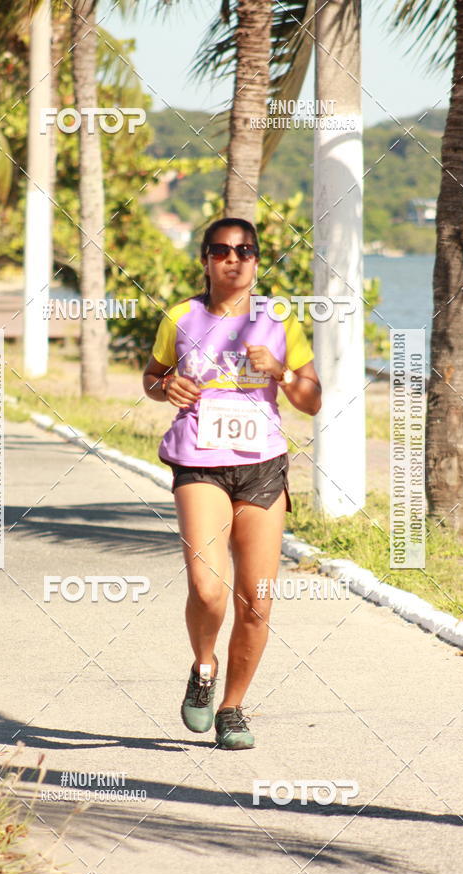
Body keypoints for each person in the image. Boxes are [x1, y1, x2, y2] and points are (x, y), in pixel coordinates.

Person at [143, 217, 322, 750]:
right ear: (205, 259)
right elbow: (153, 376)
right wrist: (165, 386)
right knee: (207, 587)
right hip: (199, 462)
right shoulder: (182, 316)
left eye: (245, 250)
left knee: (257, 599)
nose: (234, 258)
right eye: (221, 250)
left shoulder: (278, 321)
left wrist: (282, 373)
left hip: (262, 466)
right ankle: (203, 667)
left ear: (256, 260)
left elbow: (312, 399)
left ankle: (233, 707)